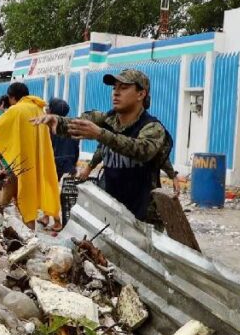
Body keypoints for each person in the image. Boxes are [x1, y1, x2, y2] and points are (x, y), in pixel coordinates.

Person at [34, 69, 174, 226]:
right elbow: (77, 124)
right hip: (111, 211)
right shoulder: (106, 120)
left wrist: (100, 134)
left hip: (143, 219)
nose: (116, 93)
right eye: (114, 88)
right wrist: (58, 121)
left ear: (141, 94)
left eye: (124, 87)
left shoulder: (152, 127)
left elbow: (143, 150)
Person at [0, 82, 60, 228]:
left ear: (12, 97)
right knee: (27, 200)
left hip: (17, 165)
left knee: (2, 201)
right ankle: (30, 236)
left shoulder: (16, 109)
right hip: (35, 163)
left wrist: (2, 112)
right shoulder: (39, 110)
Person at [48, 98, 79, 179]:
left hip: (53, 167)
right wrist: (73, 166)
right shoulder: (73, 127)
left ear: (51, 111)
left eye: (48, 108)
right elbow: (76, 150)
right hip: (68, 167)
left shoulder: (49, 128)